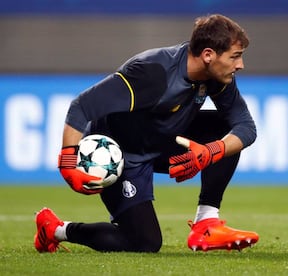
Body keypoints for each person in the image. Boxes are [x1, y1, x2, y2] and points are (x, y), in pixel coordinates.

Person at [34, 14, 259, 253]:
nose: (240, 65)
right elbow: (81, 106)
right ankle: (56, 229)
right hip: (121, 155)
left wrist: (212, 150)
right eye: (235, 56)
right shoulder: (152, 72)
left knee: (224, 131)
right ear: (208, 55)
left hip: (163, 141)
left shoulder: (217, 77)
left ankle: (206, 224)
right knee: (145, 243)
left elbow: (245, 126)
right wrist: (69, 162)